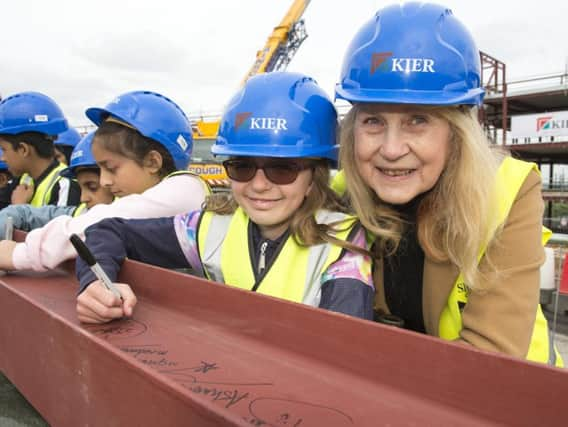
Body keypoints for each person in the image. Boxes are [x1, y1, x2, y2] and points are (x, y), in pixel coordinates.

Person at [333, 2, 562, 366]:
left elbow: (489, 359)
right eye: (373, 121)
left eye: (418, 120)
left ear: (456, 134)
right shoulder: (344, 191)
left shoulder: (507, 191)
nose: (391, 150)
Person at [74, 72, 374, 324]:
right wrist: (95, 284)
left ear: (315, 174)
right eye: (241, 167)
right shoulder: (209, 227)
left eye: (282, 169)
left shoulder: (343, 245)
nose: (258, 185)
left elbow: (345, 345)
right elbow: (107, 230)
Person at [0, 90, 208, 272]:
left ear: (152, 162)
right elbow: (76, 215)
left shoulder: (185, 190)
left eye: (111, 168)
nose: (105, 181)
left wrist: (20, 254)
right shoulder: (136, 199)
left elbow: (97, 222)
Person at [0, 132, 114, 240]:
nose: (82, 198)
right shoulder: (82, 213)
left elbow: (57, 240)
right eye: (82, 188)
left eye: (92, 187)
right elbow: (25, 214)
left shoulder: (64, 184)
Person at [0, 91, 81, 207]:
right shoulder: (23, 179)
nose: (2, 158)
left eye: (4, 149)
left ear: (23, 149)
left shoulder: (64, 185)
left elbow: (61, 225)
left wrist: (18, 207)